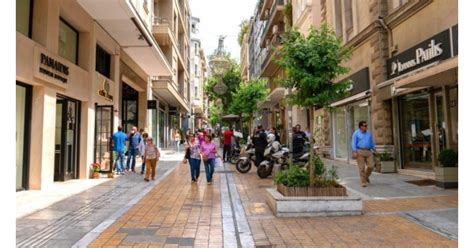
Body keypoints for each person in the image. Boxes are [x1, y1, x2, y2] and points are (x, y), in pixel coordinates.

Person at [351, 121, 376, 187]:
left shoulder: (369, 134)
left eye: (366, 125)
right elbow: (353, 143)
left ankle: (366, 176)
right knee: (361, 168)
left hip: (368, 151)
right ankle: (363, 182)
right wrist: (354, 151)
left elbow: (371, 142)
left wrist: (374, 148)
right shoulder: (356, 133)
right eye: (365, 126)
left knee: (371, 166)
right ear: (361, 127)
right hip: (360, 151)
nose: (366, 127)